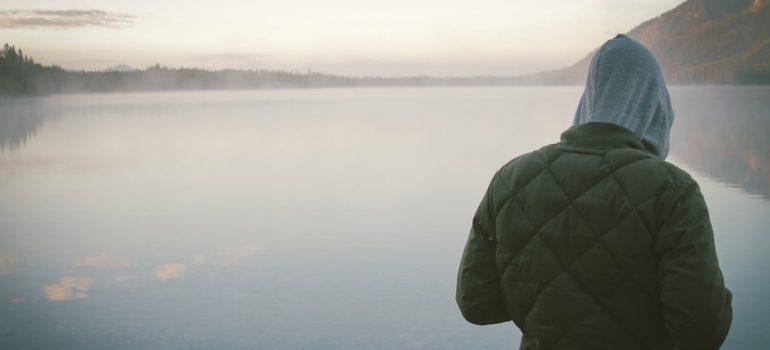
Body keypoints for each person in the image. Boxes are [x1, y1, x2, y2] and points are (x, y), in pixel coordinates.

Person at [455, 34, 733, 350]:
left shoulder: (511, 178)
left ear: (590, 98)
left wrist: (546, 301)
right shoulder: (672, 191)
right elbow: (701, 330)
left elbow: (476, 302)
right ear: (654, 107)